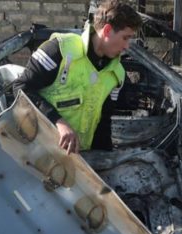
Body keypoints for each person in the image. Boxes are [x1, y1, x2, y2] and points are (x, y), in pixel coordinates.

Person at [12, 0, 141, 154]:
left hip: (76, 161)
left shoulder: (117, 75)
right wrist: (59, 122)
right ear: (107, 30)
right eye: (125, 38)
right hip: (36, 153)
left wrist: (105, 160)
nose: (127, 46)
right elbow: (21, 89)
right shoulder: (59, 50)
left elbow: (103, 123)